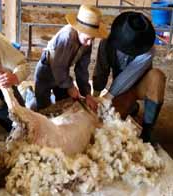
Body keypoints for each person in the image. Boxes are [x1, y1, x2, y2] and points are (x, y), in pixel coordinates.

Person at [93, 11, 166, 142]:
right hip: (123, 92)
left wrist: (108, 97)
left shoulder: (148, 50)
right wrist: (95, 96)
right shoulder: (106, 43)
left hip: (140, 85)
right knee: (108, 121)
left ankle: (147, 130)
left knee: (157, 77)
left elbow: (129, 75)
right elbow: (101, 70)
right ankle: (132, 106)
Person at [27, 4, 108, 111]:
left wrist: (87, 94)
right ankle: (30, 97)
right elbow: (58, 66)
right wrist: (70, 86)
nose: (89, 43)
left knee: (65, 104)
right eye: (88, 38)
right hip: (46, 71)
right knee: (44, 108)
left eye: (92, 39)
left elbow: (82, 69)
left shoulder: (87, 43)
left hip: (62, 73)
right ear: (79, 29)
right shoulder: (67, 37)